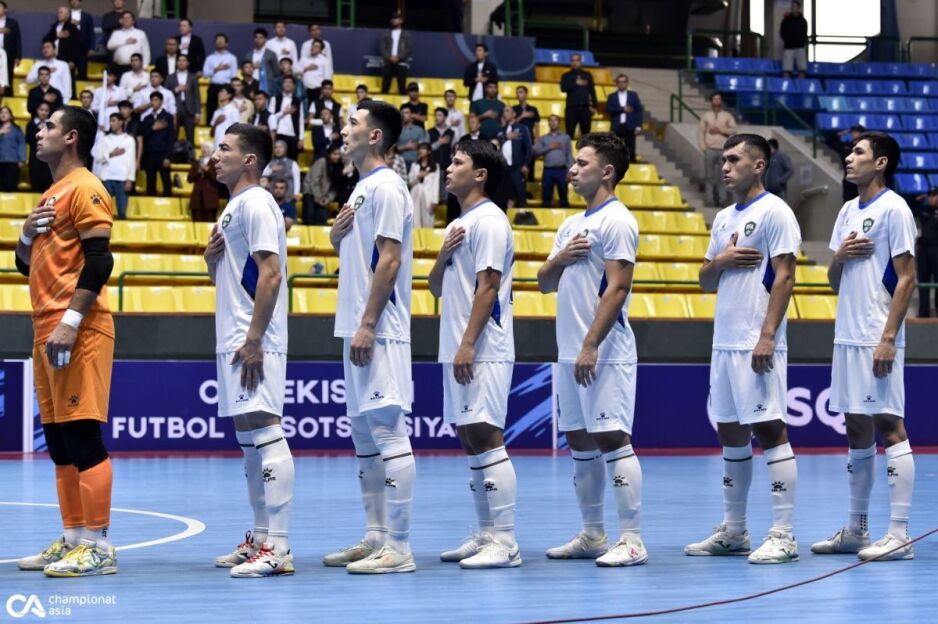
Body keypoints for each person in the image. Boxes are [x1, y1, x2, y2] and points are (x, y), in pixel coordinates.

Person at [685, 133, 801, 564]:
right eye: (723, 160)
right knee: (730, 433)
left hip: (757, 341)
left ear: (759, 165)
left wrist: (767, 336)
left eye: (734, 160)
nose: (725, 167)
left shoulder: (776, 212)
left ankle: (784, 534)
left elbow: (785, 276)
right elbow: (704, 280)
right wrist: (720, 262)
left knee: (770, 429)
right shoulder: (722, 219)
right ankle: (734, 531)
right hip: (724, 343)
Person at [14, 106, 117, 577]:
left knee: (82, 436)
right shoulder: (51, 193)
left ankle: (98, 545)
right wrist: (23, 236)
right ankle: (74, 538)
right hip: (45, 328)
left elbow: (100, 262)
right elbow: (25, 265)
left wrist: (72, 321)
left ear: (72, 137)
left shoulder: (86, 187)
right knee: (58, 442)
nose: (39, 132)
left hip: (77, 328)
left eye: (49, 126)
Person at [537, 132, 647, 567]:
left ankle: (632, 539)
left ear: (607, 171)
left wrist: (590, 344)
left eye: (582, 163)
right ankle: (593, 533)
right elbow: (544, 282)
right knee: (579, 441)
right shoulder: (570, 225)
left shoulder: (617, 220)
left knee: (612, 437)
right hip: (570, 351)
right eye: (573, 162)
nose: (572, 169)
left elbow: (618, 287)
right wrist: (561, 257)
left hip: (604, 351)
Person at [812, 132, 918, 562]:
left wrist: (889, 338)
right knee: (856, 427)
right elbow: (833, 282)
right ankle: (857, 529)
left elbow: (907, 278)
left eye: (858, 152)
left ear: (881, 163)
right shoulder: (846, 211)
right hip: (847, 336)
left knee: (889, 425)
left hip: (877, 334)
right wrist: (840, 257)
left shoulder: (895, 209)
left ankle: (900, 535)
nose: (848, 157)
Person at [325, 100, 416, 574]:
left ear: (375, 136)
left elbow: (391, 258)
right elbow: (360, 254)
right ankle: (376, 537)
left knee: (387, 432)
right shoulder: (361, 189)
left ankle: (399, 548)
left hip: (379, 329)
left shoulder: (388, 186)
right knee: (364, 438)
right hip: (356, 327)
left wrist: (368, 323)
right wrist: (335, 236)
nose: (344, 130)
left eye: (352, 123)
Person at [206, 123, 295, 578]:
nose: (215, 155)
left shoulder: (257, 202)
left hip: (253, 339)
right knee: (249, 440)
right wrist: (211, 261)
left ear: (249, 160)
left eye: (224, 148)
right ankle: (260, 539)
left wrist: (256, 339)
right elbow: (230, 278)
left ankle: (278, 547)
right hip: (235, 337)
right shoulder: (232, 208)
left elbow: (271, 273)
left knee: (265, 429)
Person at [428, 139, 520, 568]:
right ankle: (486, 533)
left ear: (480, 174)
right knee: (469, 439)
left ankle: (506, 541)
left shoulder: (490, 221)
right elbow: (435, 287)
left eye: (458, 162)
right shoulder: (458, 224)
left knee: (486, 434)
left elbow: (489, 287)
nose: (448, 168)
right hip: (457, 345)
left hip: (483, 347)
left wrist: (468, 343)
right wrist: (443, 255)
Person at [94, 112, 135, 220]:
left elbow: (131, 161)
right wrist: (112, 154)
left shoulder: (129, 140)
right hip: (107, 177)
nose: (111, 123)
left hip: (122, 178)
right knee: (104, 210)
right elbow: (98, 158)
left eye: (113, 121)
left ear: (121, 122)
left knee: (122, 212)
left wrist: (130, 179)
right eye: (110, 121)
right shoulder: (105, 139)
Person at [698, 92, 736, 207]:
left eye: (718, 99)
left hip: (723, 150)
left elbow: (733, 130)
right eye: (714, 99)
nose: (716, 101)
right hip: (710, 149)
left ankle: (722, 200)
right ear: (711, 101)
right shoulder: (706, 116)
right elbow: (701, 132)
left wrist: (721, 130)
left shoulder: (727, 116)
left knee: (723, 177)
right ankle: (709, 200)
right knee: (709, 176)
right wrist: (704, 148)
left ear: (721, 101)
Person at [496, 106, 532, 208]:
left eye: (507, 111)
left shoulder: (522, 128)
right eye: (504, 111)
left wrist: (526, 164)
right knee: (503, 196)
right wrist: (506, 137)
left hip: (517, 167)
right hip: (503, 168)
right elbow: (496, 143)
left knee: (520, 194)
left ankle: (522, 214)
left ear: (514, 114)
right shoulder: (501, 130)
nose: (505, 113)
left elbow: (528, 148)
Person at [534, 114, 574, 208]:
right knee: (546, 198)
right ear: (548, 123)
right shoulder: (544, 138)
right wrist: (549, 147)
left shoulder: (566, 137)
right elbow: (536, 152)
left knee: (563, 198)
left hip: (562, 170)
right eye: (550, 120)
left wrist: (569, 171)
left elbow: (569, 155)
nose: (553, 122)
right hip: (548, 170)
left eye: (555, 120)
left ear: (559, 123)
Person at [140, 92, 174, 196]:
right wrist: (153, 128)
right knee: (150, 182)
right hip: (149, 155)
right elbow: (142, 135)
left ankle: (168, 204)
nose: (153, 102)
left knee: (166, 182)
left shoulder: (168, 117)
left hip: (163, 154)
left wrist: (168, 156)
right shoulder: (147, 118)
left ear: (161, 102)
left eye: (156, 100)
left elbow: (171, 137)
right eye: (152, 100)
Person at [606, 74, 643, 164]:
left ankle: (631, 166)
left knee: (630, 149)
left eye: (624, 82)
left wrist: (638, 126)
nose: (622, 84)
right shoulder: (612, 96)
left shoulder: (633, 95)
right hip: (617, 126)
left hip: (629, 126)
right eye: (619, 82)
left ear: (627, 83)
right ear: (616, 83)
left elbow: (639, 111)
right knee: (615, 148)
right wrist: (622, 109)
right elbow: (608, 109)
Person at [912, 188, 938, 317]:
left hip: (937, 250)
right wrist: (918, 200)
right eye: (930, 195)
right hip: (923, 250)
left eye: (934, 195)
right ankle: (923, 312)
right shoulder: (925, 210)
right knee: (923, 280)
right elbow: (911, 210)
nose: (931, 198)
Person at [301, 142, 341, 225]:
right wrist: (318, 197)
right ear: (329, 154)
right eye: (335, 154)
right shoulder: (322, 161)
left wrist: (327, 200)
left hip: (322, 198)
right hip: (310, 193)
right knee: (309, 219)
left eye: (339, 154)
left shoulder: (337, 167)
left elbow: (334, 188)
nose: (337, 157)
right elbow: (314, 180)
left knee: (322, 220)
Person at [560, 54, 597, 139]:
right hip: (571, 108)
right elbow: (563, 88)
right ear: (570, 62)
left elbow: (592, 91)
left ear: (581, 62)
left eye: (577, 60)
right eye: (573, 60)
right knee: (569, 133)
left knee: (586, 134)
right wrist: (575, 83)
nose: (575, 63)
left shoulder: (587, 75)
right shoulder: (566, 75)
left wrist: (594, 105)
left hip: (585, 108)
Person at [268, 75, 305, 160]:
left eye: (290, 82)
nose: (287, 84)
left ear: (294, 86)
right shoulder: (275, 99)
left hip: (292, 135)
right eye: (285, 82)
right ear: (282, 85)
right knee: (277, 159)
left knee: (292, 160)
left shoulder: (298, 102)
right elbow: (270, 118)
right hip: (278, 134)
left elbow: (300, 121)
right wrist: (283, 112)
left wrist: (301, 138)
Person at [166, 53, 200, 144]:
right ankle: (172, 153)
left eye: (184, 60)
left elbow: (196, 96)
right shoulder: (170, 77)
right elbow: (165, 94)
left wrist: (197, 113)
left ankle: (190, 153)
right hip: (174, 110)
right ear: (176, 62)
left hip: (189, 110)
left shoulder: (193, 77)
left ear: (188, 63)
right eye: (179, 60)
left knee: (190, 137)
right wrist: (177, 89)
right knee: (173, 136)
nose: (181, 62)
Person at [203, 33, 237, 119]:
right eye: (217, 40)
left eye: (222, 40)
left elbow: (233, 75)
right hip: (213, 86)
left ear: (227, 44)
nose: (219, 42)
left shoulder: (232, 58)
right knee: (211, 109)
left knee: (227, 109)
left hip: (226, 86)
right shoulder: (210, 58)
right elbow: (205, 74)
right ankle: (211, 126)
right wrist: (216, 69)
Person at [107, 11, 150, 77]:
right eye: (124, 18)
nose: (126, 20)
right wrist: (125, 41)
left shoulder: (140, 33)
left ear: (133, 21)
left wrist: (145, 66)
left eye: (128, 18)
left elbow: (146, 51)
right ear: (121, 21)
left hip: (136, 68)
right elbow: (109, 46)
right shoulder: (116, 33)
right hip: (119, 68)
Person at [380, 10, 412, 95]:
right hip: (388, 62)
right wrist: (390, 57)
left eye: (396, 18)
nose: (394, 20)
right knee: (385, 88)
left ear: (401, 20)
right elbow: (382, 48)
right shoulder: (386, 33)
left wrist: (399, 57)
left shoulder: (406, 34)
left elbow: (408, 48)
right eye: (393, 18)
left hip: (401, 63)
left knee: (402, 89)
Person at [188, 141, 222, 222]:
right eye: (203, 147)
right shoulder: (196, 162)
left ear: (211, 150)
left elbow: (219, 180)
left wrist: (208, 171)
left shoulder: (216, 163)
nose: (204, 149)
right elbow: (189, 179)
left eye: (206, 147)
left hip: (210, 199)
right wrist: (198, 172)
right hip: (197, 199)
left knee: (209, 224)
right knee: (196, 223)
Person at [408, 142, 439, 228]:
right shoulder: (414, 165)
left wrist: (435, 200)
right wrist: (418, 177)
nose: (421, 150)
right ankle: (415, 236)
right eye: (420, 148)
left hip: (428, 195)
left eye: (423, 148)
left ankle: (428, 236)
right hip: (415, 193)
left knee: (428, 220)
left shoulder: (435, 166)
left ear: (429, 151)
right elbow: (410, 182)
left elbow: (436, 184)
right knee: (415, 219)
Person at [26, 101, 54, 192]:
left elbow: (54, 140)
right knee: (35, 181)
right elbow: (29, 140)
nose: (43, 112)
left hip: (48, 157)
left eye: (46, 110)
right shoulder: (31, 124)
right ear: (37, 110)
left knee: (48, 183)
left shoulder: (51, 125)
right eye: (41, 110)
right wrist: (39, 131)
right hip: (35, 156)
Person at [47, 6, 80, 76]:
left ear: (67, 15)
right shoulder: (54, 26)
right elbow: (47, 39)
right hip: (54, 58)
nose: (59, 14)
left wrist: (72, 60)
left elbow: (76, 45)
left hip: (67, 59)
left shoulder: (72, 27)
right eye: (58, 12)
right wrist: (57, 35)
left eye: (61, 12)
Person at [246, 28, 279, 97]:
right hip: (251, 84)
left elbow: (276, 72)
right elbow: (244, 70)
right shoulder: (249, 55)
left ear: (265, 39)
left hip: (266, 86)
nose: (258, 40)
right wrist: (253, 67)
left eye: (261, 38)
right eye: (256, 37)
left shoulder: (271, 54)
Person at [780, 1, 808, 79]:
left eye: (795, 7)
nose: (794, 8)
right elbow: (782, 33)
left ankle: (801, 85)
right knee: (787, 69)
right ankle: (787, 85)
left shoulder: (803, 21)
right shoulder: (786, 20)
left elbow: (804, 34)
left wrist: (801, 42)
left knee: (802, 69)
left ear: (799, 8)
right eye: (792, 7)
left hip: (800, 47)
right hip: (788, 47)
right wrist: (787, 41)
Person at [837, 124, 865, 202]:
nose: (855, 134)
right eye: (853, 132)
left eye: (858, 132)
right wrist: (843, 132)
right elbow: (830, 142)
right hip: (849, 180)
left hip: (862, 180)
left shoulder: (867, 148)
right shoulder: (846, 146)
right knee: (848, 203)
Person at [67, 0, 94, 80]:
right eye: (72, 0)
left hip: (82, 50)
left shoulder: (87, 16)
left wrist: (91, 48)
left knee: (82, 74)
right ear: (69, 2)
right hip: (68, 49)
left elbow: (91, 33)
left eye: (76, 0)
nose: (74, 2)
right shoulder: (66, 15)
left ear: (80, 2)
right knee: (68, 75)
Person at [0, 1, 22, 96]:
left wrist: (18, 56)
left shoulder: (12, 23)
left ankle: (8, 99)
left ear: (5, 9)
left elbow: (17, 40)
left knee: (7, 78)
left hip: (7, 56)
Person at [0, 104, 24, 190]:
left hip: (13, 161)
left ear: (10, 116)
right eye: (1, 112)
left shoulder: (17, 129)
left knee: (11, 185)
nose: (3, 114)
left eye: (6, 112)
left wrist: (21, 159)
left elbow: (21, 144)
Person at [211, 85, 240, 149]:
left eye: (222, 91)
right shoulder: (216, 112)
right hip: (216, 146)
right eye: (219, 92)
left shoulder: (233, 110)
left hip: (228, 147)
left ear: (229, 95)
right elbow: (211, 134)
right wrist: (216, 122)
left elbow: (237, 130)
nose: (219, 94)